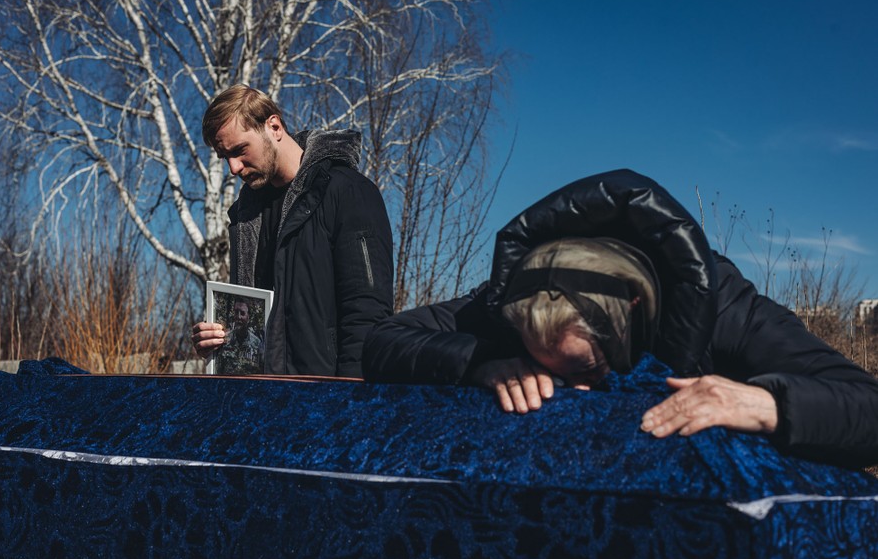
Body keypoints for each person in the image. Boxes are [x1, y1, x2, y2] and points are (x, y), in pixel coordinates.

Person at [363, 169, 878, 468]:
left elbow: (868, 408)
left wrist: (767, 403)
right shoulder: (515, 295)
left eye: (587, 370)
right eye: (546, 369)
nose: (571, 394)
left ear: (633, 309)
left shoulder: (721, 302)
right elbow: (383, 339)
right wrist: (482, 360)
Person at [192, 84, 394, 377]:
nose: (233, 168)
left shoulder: (348, 192)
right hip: (260, 397)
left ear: (274, 127)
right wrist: (217, 342)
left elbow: (368, 316)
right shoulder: (246, 216)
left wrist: (349, 399)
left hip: (323, 395)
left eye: (239, 150)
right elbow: (258, 327)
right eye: (225, 157)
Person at [216, 299, 263, 375]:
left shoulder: (257, 343)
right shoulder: (225, 340)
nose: (238, 317)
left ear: (248, 317)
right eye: (236, 312)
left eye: (242, 313)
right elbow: (218, 371)